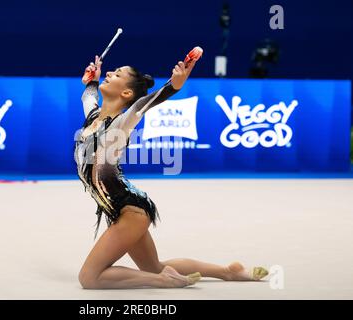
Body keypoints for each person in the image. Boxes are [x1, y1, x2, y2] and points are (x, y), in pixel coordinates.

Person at [74, 55, 268, 289]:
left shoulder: (123, 121)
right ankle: (227, 271)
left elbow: (147, 102)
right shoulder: (93, 117)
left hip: (129, 211)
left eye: (116, 74)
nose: (109, 73)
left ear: (126, 93)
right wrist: (91, 81)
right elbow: (89, 97)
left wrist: (174, 84)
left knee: (89, 277)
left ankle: (163, 280)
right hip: (122, 209)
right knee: (153, 264)